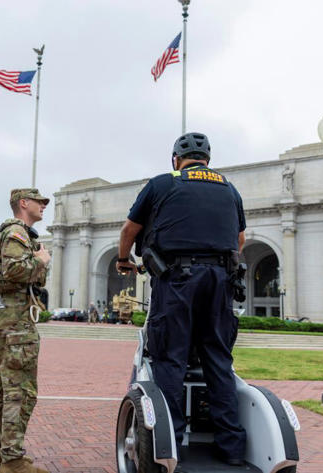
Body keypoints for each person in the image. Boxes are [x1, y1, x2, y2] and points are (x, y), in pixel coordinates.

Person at [116, 132, 247, 467]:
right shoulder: (229, 189)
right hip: (220, 280)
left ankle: (169, 445)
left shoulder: (162, 183)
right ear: (208, 160)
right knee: (218, 360)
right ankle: (231, 448)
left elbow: (130, 230)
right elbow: (240, 239)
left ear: (176, 159)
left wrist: (123, 259)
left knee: (171, 358)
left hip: (176, 280)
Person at [0, 188, 51, 473]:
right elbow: (14, 270)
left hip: (6, 315)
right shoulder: (17, 233)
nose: (44, 206)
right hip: (15, 318)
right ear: (24, 203)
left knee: (2, 383)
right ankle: (12, 460)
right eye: (39, 202)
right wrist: (41, 261)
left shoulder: (13, 232)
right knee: (20, 389)